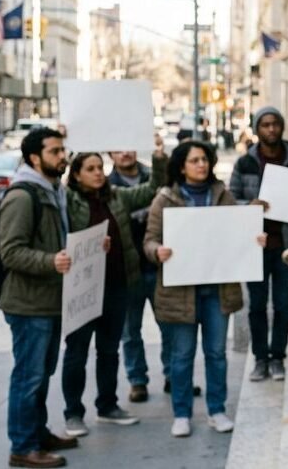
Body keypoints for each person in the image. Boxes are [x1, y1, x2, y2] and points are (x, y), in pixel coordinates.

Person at [145, 141, 265, 438]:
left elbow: (237, 234)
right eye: (194, 160)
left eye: (205, 159)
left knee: (216, 353)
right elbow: (149, 239)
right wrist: (156, 250)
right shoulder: (165, 199)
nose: (201, 165)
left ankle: (217, 410)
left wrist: (254, 239)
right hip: (180, 292)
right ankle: (182, 413)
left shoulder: (222, 195)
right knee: (182, 355)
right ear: (181, 166)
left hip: (217, 291)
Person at [0, 128, 96, 468]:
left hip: (50, 301)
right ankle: (23, 447)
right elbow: (10, 252)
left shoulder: (52, 191)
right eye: (55, 151)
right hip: (28, 305)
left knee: (41, 375)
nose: (62, 157)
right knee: (28, 377)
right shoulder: (23, 196)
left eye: (62, 149)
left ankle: (37, 434)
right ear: (35, 158)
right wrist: (51, 261)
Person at [61, 140, 166, 437]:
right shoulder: (68, 200)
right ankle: (73, 413)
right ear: (77, 174)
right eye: (90, 169)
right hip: (83, 288)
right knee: (77, 353)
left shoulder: (116, 196)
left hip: (117, 286)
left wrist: (158, 157)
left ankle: (107, 406)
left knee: (109, 351)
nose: (98, 174)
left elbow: (153, 187)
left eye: (99, 168)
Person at [229, 105, 288, 382]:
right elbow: (230, 200)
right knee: (256, 305)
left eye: (275, 124)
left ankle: (278, 357)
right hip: (254, 246)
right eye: (265, 124)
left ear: (281, 127)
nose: (271, 129)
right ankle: (260, 358)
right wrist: (250, 206)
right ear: (257, 129)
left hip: (286, 247)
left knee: (282, 304)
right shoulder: (244, 163)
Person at [114, 149, 199, 401]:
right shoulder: (106, 185)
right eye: (118, 148)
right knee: (130, 331)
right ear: (110, 152)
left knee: (170, 326)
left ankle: (175, 376)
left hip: (161, 267)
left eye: (129, 146)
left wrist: (160, 157)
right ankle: (137, 380)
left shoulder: (156, 178)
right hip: (129, 272)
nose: (125, 153)